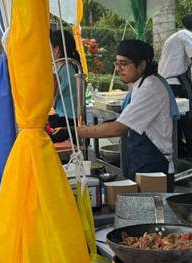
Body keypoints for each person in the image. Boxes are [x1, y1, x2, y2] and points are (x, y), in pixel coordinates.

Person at [53, 39, 176, 189]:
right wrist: (72, 127)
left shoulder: (150, 88)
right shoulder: (140, 85)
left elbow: (117, 128)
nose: (119, 69)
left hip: (155, 169)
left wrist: (72, 132)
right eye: (117, 63)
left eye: (124, 64)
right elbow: (120, 121)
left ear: (142, 65)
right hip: (141, 163)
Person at [158, 13, 192, 159]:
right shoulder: (188, 35)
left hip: (166, 84)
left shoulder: (174, 37)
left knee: (175, 119)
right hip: (176, 85)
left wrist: (191, 79)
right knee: (188, 117)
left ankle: (179, 150)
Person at [49, 28, 80, 128]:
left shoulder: (66, 70)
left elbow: (49, 97)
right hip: (64, 118)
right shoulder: (62, 67)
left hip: (65, 121)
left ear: (56, 50)